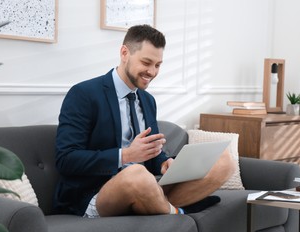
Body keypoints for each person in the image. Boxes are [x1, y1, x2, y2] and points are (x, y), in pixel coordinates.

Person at [53, 24, 236, 218]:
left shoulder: (147, 100)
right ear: (125, 53)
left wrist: (164, 162)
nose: (152, 72)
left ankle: (160, 205)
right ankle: (177, 212)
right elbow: (66, 159)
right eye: (146, 62)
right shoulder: (84, 94)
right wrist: (125, 155)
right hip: (96, 194)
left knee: (225, 161)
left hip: (146, 185)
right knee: (137, 174)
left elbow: (151, 153)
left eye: (158, 65)